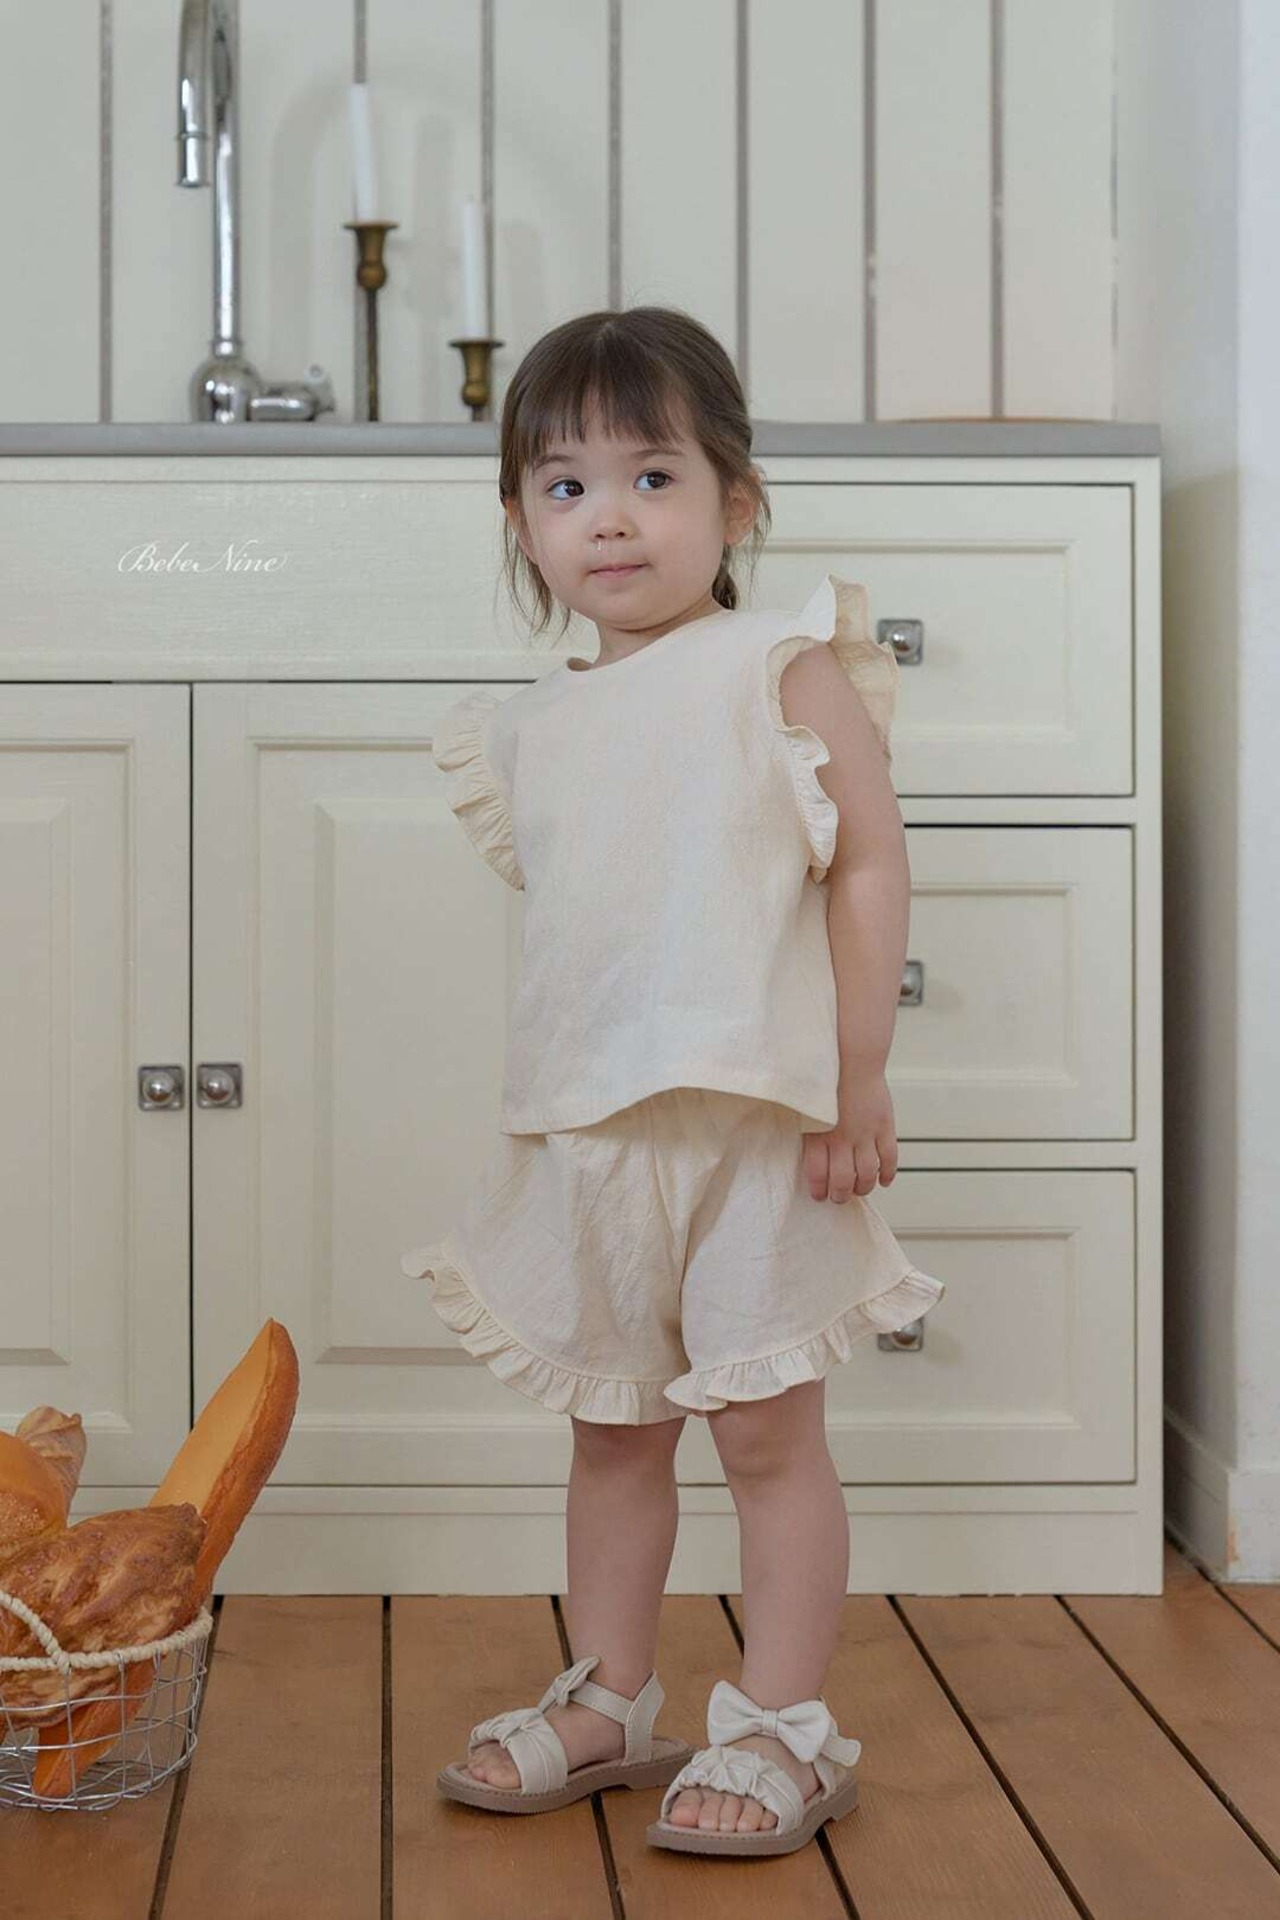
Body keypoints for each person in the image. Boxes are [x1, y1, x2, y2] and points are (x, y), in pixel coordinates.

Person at [400, 305, 945, 1858]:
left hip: (760, 1125)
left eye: (653, 477)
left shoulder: (776, 669)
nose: (612, 518)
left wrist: (857, 1072)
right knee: (615, 1433)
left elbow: (869, 864)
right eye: (566, 487)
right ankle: (611, 1693)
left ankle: (781, 1722)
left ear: (736, 503)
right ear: (521, 523)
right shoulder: (530, 729)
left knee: (766, 1434)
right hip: (591, 1136)